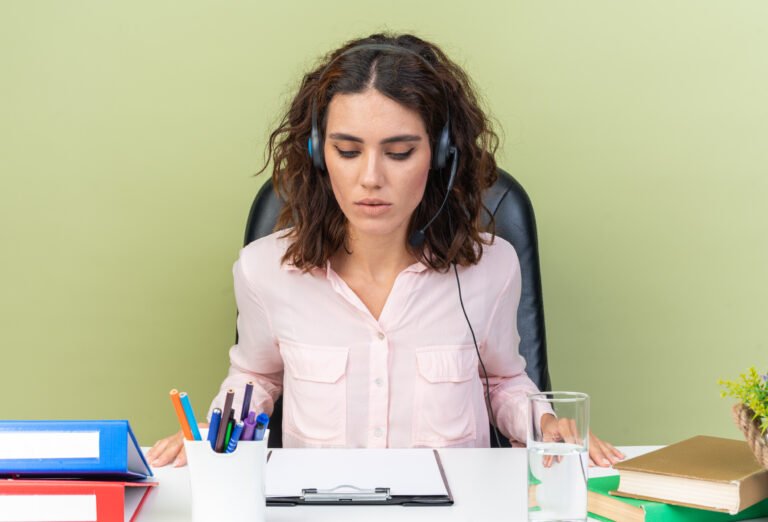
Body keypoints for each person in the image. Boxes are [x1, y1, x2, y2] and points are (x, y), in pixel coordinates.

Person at [148, 33, 624, 468]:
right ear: (318, 152)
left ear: (440, 156)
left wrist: (543, 426)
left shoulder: (492, 267)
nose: (371, 177)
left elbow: (501, 382)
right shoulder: (263, 269)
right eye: (348, 151)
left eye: (398, 153)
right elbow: (258, 376)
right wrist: (217, 430)